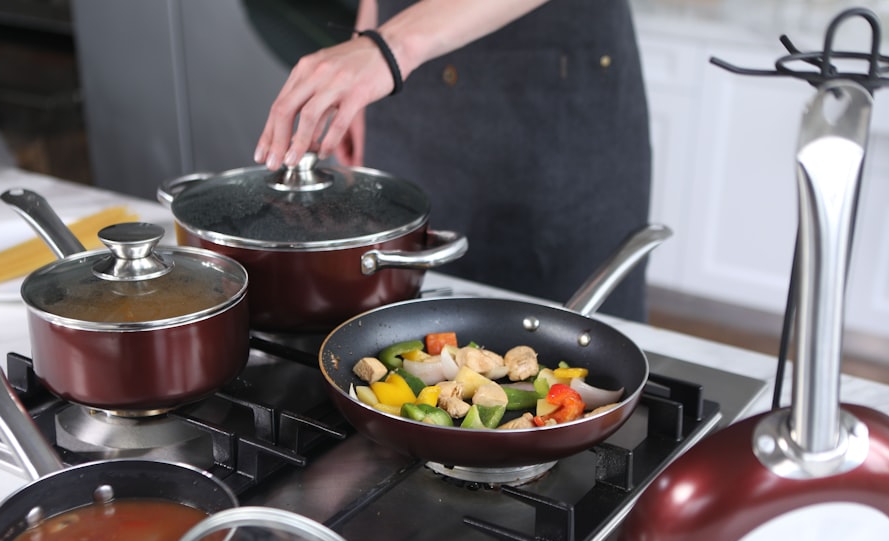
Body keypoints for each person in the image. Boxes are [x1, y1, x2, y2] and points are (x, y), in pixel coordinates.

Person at [255, 0, 652, 321]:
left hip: (555, 105)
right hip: (402, 88)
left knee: (574, 355)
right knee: (404, 331)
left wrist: (387, 45)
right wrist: (366, 38)